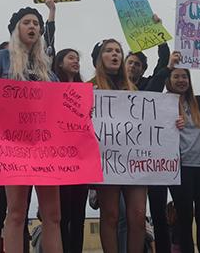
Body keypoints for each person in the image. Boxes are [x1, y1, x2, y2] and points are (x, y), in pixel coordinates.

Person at [0, 7, 61, 253]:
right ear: (16, 29)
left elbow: (61, 107)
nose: (32, 27)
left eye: (36, 24)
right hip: (15, 149)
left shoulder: (49, 71)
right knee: (16, 212)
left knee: (53, 215)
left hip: (45, 150)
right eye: (26, 22)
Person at [152, 50, 200, 253]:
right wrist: (167, 66)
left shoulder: (199, 103)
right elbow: (151, 91)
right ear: (169, 79)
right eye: (176, 76)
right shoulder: (161, 105)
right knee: (184, 221)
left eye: (185, 76)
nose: (181, 80)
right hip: (180, 170)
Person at [89, 39, 148, 253]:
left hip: (134, 162)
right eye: (108, 51)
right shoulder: (89, 87)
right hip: (107, 162)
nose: (115, 54)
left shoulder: (134, 90)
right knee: (111, 215)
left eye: (118, 51)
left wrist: (173, 122)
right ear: (99, 58)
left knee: (139, 216)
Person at [123, 18, 171, 253]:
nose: (133, 67)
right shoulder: (109, 88)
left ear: (142, 69)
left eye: (137, 65)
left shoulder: (149, 86)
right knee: (126, 216)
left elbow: (164, 64)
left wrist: (159, 33)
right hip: (122, 163)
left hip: (153, 161)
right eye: (129, 63)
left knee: (159, 213)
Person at [52, 48, 87, 253]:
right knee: (62, 213)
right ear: (60, 62)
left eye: (77, 59)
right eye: (71, 58)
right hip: (60, 159)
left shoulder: (86, 90)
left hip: (82, 158)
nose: (76, 62)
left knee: (79, 216)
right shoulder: (53, 86)